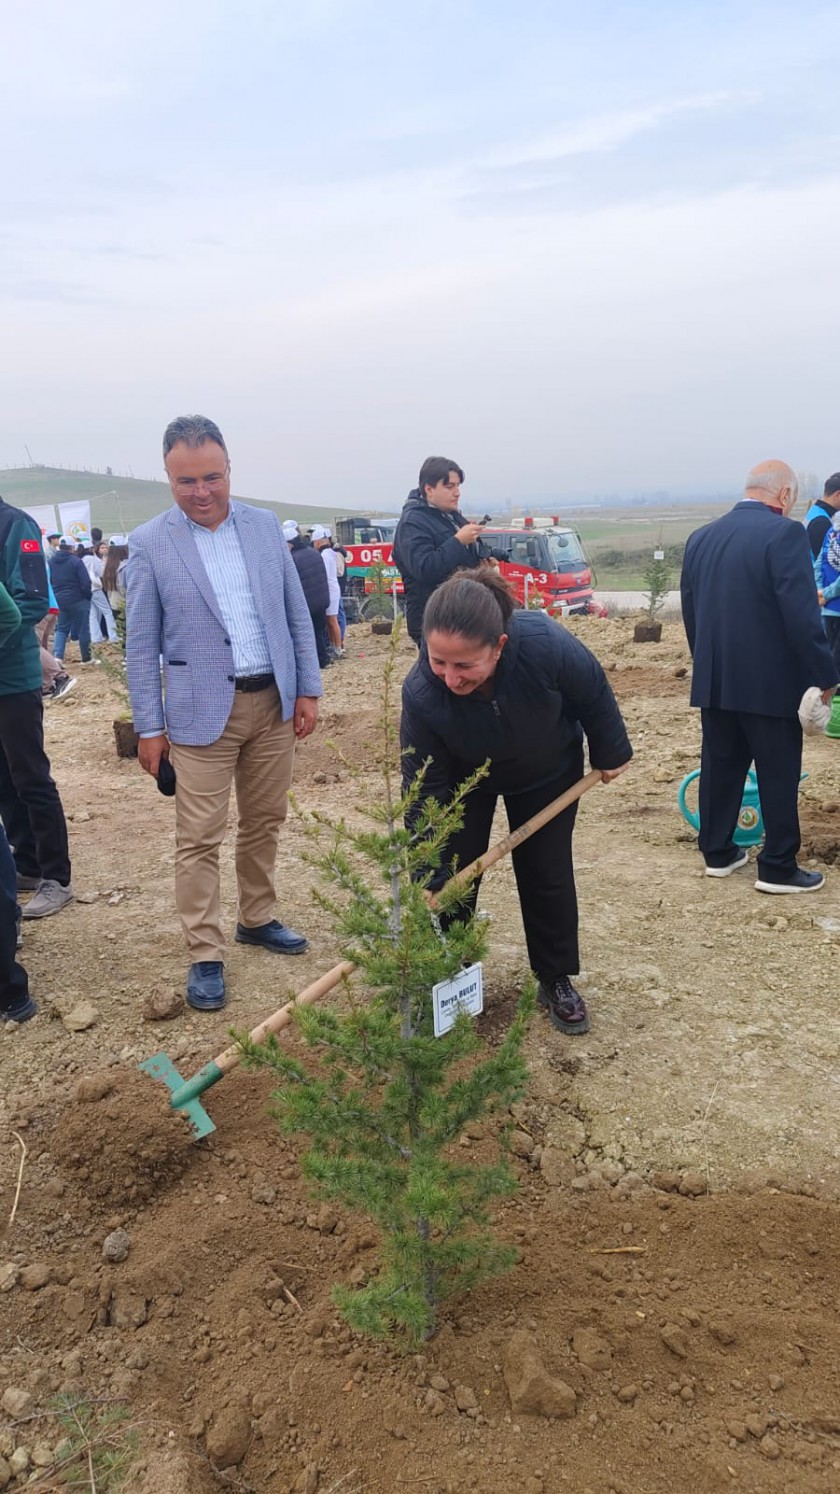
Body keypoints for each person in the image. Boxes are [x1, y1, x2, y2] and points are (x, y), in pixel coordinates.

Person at [126, 414, 322, 1012]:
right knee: (199, 838)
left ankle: (256, 917)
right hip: (196, 715)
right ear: (168, 478)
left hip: (272, 705)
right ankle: (205, 952)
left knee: (265, 819)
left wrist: (307, 688)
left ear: (229, 469)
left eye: (212, 476)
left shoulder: (264, 529)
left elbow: (295, 614)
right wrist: (149, 727)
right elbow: (140, 642)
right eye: (186, 481)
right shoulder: (150, 542)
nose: (202, 491)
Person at [400, 569, 632, 1035]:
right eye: (439, 660)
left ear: (500, 646)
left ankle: (554, 977)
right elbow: (424, 785)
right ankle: (451, 974)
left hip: (547, 771)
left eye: (464, 666)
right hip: (467, 782)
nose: (449, 677)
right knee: (453, 878)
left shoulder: (544, 644)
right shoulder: (423, 692)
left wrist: (611, 752)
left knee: (546, 873)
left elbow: (592, 689)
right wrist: (428, 870)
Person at [681, 460, 838, 893]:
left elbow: (692, 614)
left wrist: (708, 663)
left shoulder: (701, 537)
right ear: (785, 495)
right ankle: (778, 866)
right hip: (770, 683)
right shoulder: (784, 533)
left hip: (715, 679)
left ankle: (718, 851)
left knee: (720, 766)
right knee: (778, 771)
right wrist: (826, 675)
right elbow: (802, 616)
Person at [0, 495, 74, 920]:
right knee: (2, 776)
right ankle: (25, 861)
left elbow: (29, 601)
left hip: (13, 675)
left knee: (30, 775)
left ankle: (55, 876)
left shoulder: (15, 525)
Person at [393, 456, 486, 644]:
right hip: (433, 621)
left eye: (458, 486)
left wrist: (481, 561)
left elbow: (455, 560)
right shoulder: (413, 521)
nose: (457, 492)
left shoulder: (448, 515)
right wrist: (458, 541)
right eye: (449, 487)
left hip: (460, 614)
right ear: (429, 489)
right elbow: (424, 568)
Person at [283, 521, 331, 668]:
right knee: (318, 631)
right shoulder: (313, 553)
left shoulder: (294, 559)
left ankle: (317, 662)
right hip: (322, 599)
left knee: (309, 634)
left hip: (308, 602)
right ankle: (324, 659)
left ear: (290, 544)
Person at [52, 537, 94, 665]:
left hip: (59, 599)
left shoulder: (50, 561)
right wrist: (87, 596)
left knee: (61, 629)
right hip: (78, 598)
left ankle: (57, 656)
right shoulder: (76, 561)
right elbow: (85, 582)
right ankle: (86, 657)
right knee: (83, 628)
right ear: (72, 547)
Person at [311, 526, 343, 659]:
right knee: (331, 620)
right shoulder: (331, 553)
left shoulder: (324, 555)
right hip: (332, 588)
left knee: (332, 620)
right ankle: (334, 645)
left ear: (318, 542)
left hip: (330, 589)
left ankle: (337, 648)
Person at [84, 539, 119, 643]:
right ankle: (113, 636)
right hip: (96, 588)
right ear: (92, 549)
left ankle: (95, 638)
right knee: (107, 612)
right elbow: (100, 573)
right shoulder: (92, 559)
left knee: (92, 614)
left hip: (86, 590)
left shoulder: (81, 559)